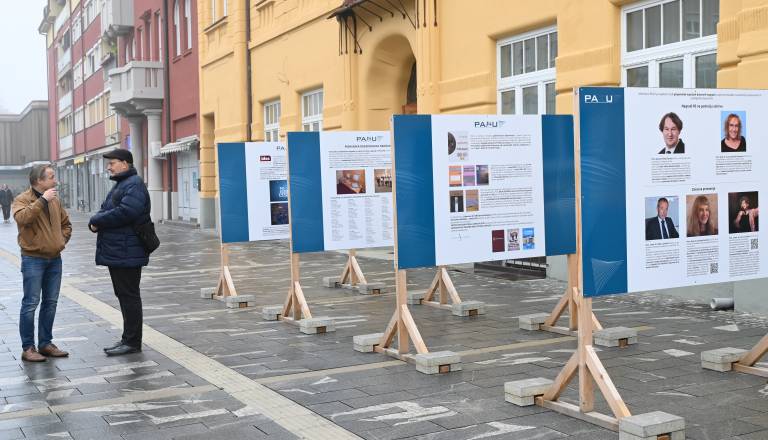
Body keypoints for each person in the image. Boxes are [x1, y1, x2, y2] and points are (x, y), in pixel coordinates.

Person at [88, 149, 151, 356]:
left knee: (129, 296)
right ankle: (128, 339)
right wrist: (97, 219)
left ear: (125, 164)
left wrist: (97, 220)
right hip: (120, 250)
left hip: (127, 251)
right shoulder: (123, 184)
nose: (109, 166)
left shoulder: (134, 184)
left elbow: (126, 212)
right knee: (124, 295)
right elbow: (108, 208)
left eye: (112, 163)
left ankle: (132, 342)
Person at [12, 164, 72, 362]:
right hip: (33, 259)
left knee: (50, 303)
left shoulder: (55, 200)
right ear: (39, 180)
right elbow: (22, 219)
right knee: (30, 303)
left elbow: (66, 224)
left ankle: (45, 343)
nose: (55, 180)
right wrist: (42, 201)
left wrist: (61, 240)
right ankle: (28, 348)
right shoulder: (22, 199)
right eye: (52, 177)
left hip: (55, 259)